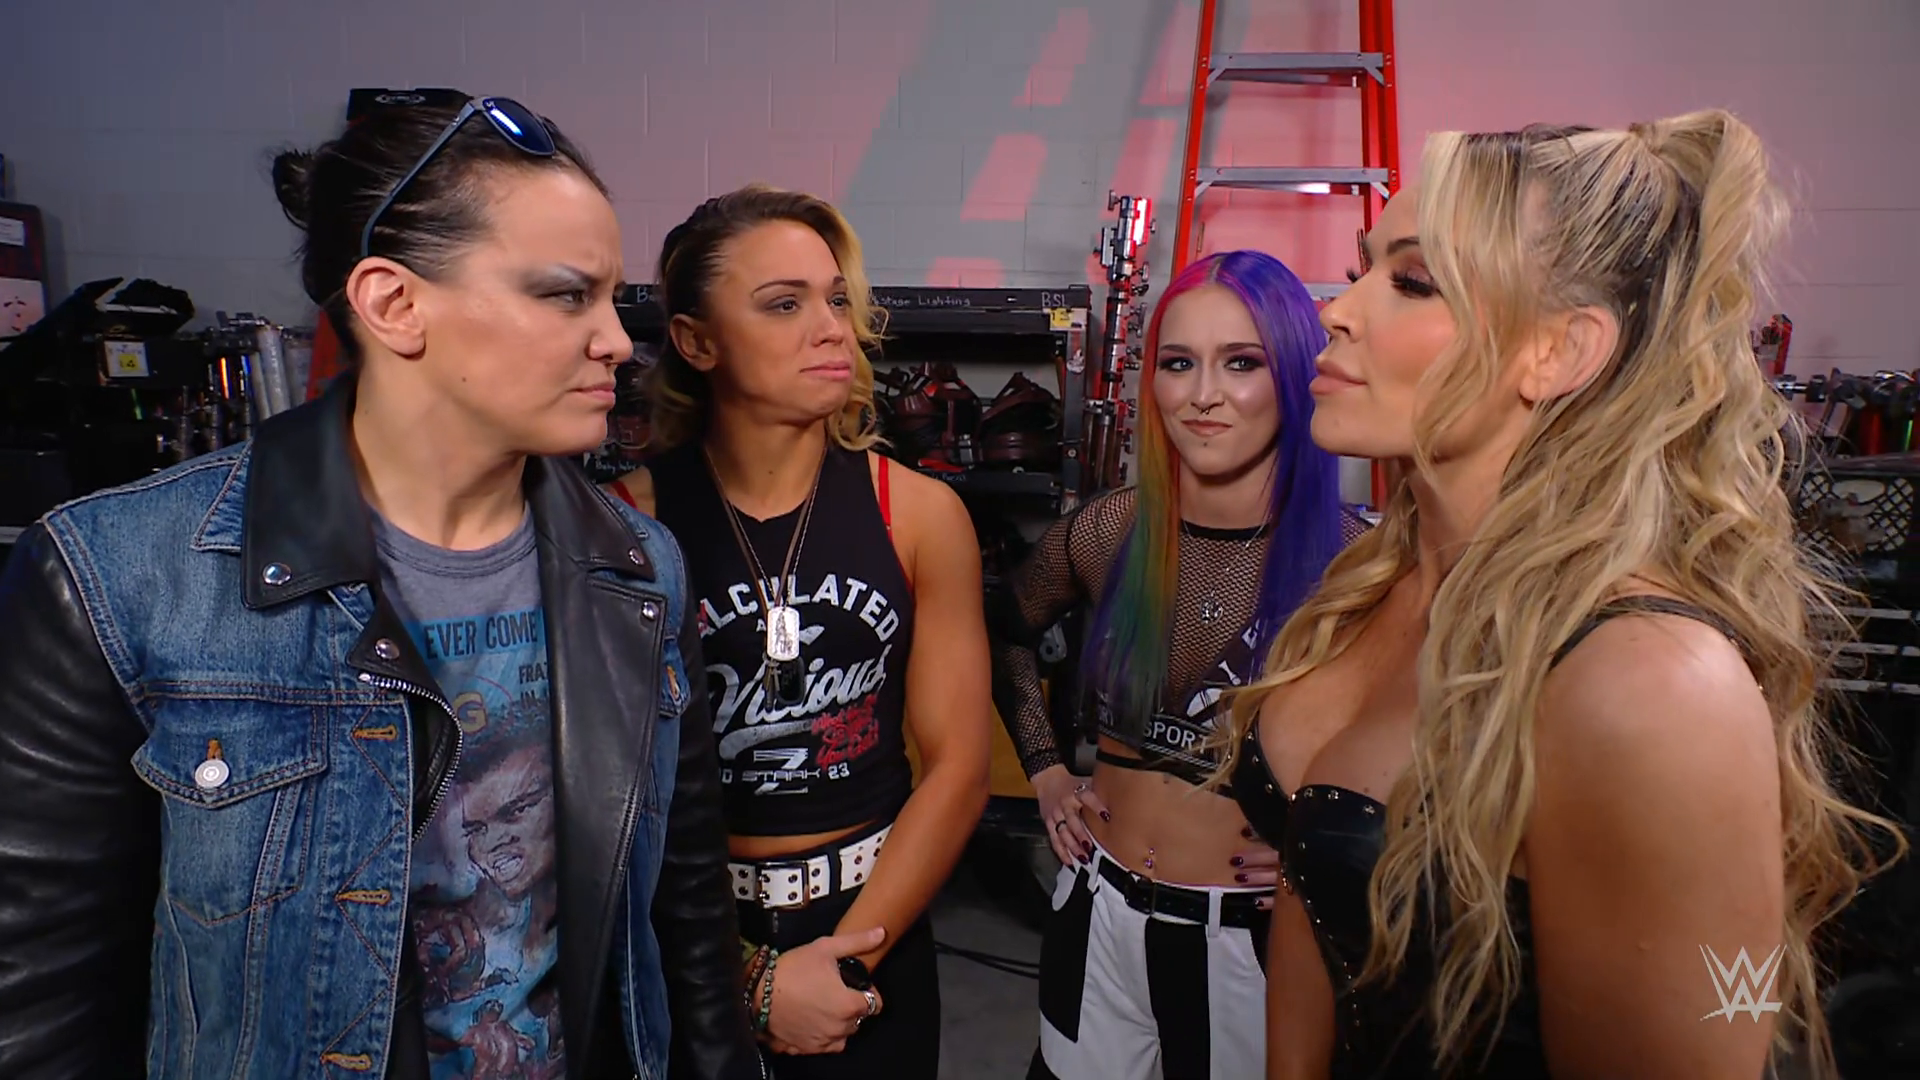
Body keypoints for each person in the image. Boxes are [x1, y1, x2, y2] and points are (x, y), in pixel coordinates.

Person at [0, 97, 766, 1080]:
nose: (617, 340)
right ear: (395, 305)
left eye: (614, 299)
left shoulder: (639, 570)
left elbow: (685, 916)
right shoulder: (121, 577)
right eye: (567, 295)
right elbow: (40, 1001)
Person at [1221, 110, 1906, 1079]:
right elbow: (1314, 910)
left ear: (1560, 351)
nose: (1338, 308)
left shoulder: (1649, 679)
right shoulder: (1377, 584)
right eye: (1362, 266)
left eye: (1413, 281)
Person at [605, 183, 993, 1079]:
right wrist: (748, 979)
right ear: (697, 341)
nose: (831, 329)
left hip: (872, 923)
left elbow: (960, 768)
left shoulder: (917, 514)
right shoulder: (627, 528)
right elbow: (610, 803)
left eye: (836, 300)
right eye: (784, 304)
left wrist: (848, 963)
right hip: (694, 936)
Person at [992, 250, 1369, 1080]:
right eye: (1177, 363)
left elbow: (1450, 751)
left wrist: (1343, 855)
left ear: (1297, 374)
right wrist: (1045, 772)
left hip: (1252, 943)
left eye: (1241, 363)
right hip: (1098, 914)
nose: (1202, 394)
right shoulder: (1108, 532)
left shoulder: (1360, 567)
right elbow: (1007, 631)